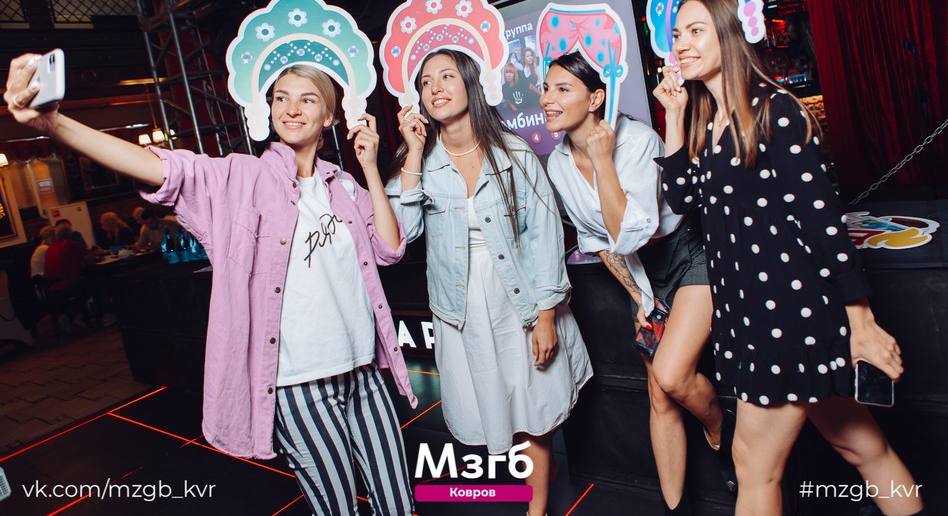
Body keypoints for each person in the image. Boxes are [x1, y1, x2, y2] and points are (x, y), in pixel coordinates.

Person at [5, 57, 417, 516]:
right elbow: (160, 167)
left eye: (307, 99)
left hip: (362, 371)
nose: (291, 109)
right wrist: (52, 123)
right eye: (281, 98)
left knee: (397, 500)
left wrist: (370, 168)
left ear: (329, 116)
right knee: (338, 507)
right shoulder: (241, 178)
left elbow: (389, 249)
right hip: (298, 382)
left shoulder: (342, 185)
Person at [652, 0, 924, 516]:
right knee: (863, 448)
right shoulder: (710, 121)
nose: (681, 44)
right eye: (677, 34)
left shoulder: (775, 111)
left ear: (729, 35)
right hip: (753, 315)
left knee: (754, 466)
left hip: (789, 319)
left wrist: (861, 321)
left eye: (696, 31)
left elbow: (823, 223)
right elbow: (681, 198)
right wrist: (674, 116)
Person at [387, 49, 592, 516]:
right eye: (425, 82)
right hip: (461, 308)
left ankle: (536, 508)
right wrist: (413, 153)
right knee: (501, 406)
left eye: (446, 76)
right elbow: (403, 234)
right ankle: (539, 476)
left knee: (534, 406)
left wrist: (545, 316)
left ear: (471, 84)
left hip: (518, 298)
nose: (435, 88)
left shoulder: (513, 153)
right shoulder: (420, 160)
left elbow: (544, 236)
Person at [542, 51, 734, 514]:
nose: (547, 99)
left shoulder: (638, 142)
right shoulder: (558, 163)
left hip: (688, 253)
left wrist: (603, 162)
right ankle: (675, 508)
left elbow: (631, 231)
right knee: (658, 393)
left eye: (562, 89)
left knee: (672, 374)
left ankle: (720, 425)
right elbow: (597, 241)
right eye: (546, 89)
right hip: (640, 271)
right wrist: (639, 297)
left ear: (596, 99)